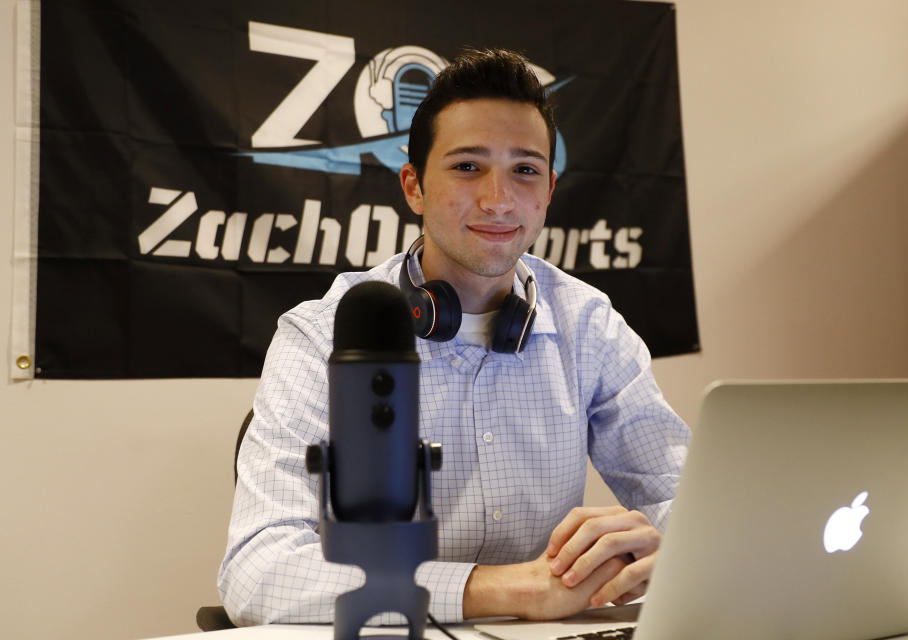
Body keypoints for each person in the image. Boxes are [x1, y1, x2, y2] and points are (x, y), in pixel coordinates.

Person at [218, 48, 689, 626]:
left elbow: (691, 500)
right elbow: (256, 568)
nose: (498, 199)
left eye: (524, 169)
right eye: (468, 167)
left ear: (548, 190)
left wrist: (664, 542)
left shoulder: (588, 323)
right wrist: (509, 590)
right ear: (413, 187)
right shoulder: (322, 334)